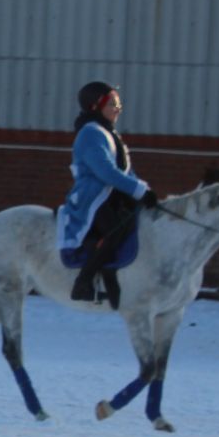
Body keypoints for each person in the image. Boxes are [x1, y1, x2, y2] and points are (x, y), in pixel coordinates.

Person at [57, 80, 157, 307]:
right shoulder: (90, 134)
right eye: (113, 103)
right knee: (115, 230)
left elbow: (126, 171)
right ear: (95, 106)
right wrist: (138, 190)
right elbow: (105, 171)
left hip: (111, 195)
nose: (118, 108)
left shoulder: (109, 133)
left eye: (118, 103)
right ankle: (83, 283)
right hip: (92, 197)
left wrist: (144, 191)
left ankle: (114, 278)